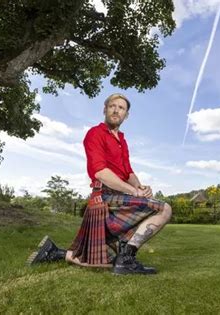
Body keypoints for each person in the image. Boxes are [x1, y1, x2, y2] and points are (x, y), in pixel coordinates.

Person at [26, 93, 172, 275]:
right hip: (104, 197)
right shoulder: (95, 133)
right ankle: (126, 260)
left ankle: (55, 252)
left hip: (121, 195)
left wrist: (140, 187)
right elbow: (100, 172)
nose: (116, 110)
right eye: (113, 106)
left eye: (121, 108)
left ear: (126, 115)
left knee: (107, 261)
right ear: (105, 109)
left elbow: (128, 172)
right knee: (164, 209)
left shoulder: (122, 141)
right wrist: (133, 191)